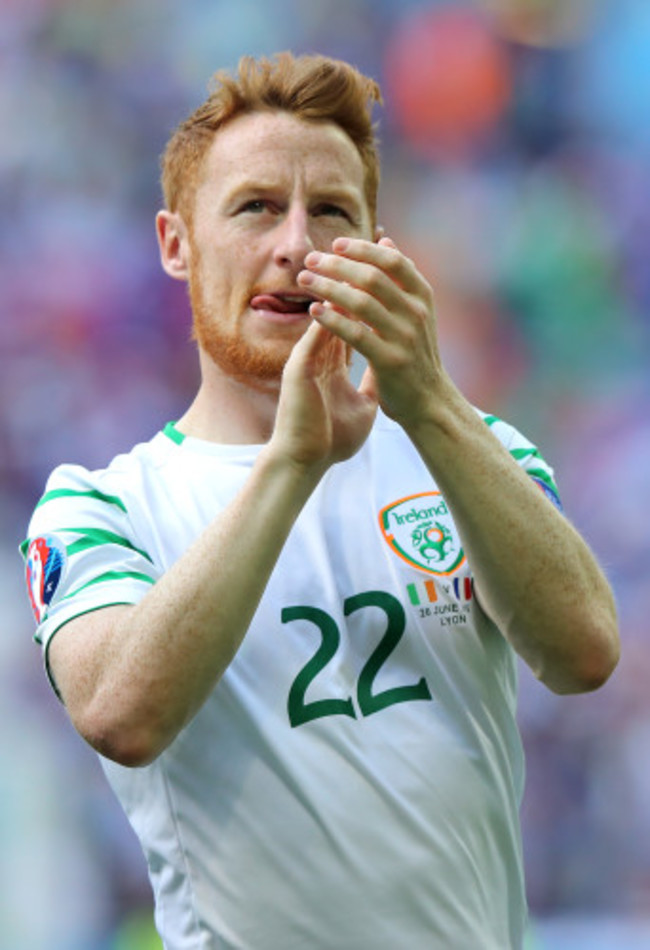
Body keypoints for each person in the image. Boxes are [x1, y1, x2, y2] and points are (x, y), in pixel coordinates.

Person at [21, 52, 619, 950]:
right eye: (256, 206)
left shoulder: (474, 454)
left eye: (331, 210)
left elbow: (584, 652)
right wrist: (293, 461)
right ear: (175, 243)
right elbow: (120, 713)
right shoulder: (99, 506)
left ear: (376, 245)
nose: (295, 243)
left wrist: (428, 404)